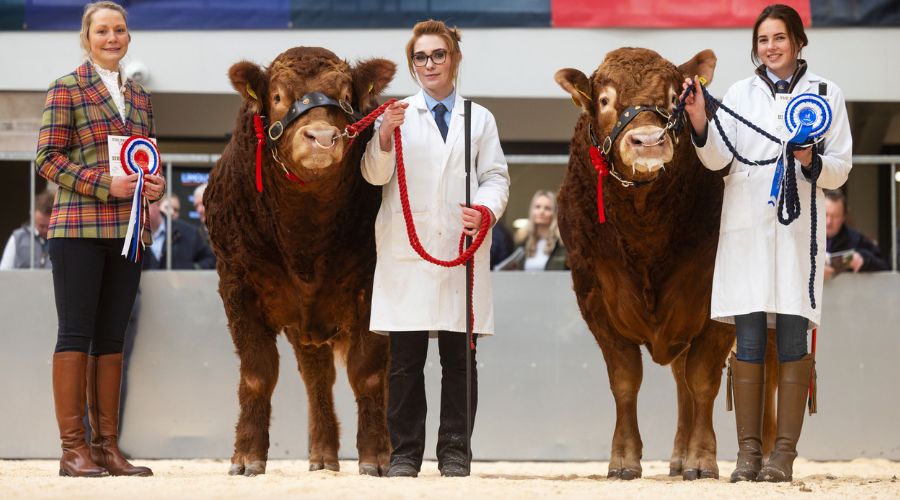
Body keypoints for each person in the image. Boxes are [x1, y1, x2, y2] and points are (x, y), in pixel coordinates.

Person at [682, 3, 852, 484]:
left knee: (794, 338)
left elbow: (841, 166)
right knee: (749, 339)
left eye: (779, 37)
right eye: (763, 40)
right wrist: (699, 121)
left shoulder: (826, 93)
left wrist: (810, 157)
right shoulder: (738, 93)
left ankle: (783, 454)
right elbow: (718, 159)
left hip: (799, 231)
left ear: (797, 41)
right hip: (748, 227)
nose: (771, 47)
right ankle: (748, 453)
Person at [361, 19, 510, 478]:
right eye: (421, 57)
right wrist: (384, 136)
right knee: (405, 360)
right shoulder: (396, 115)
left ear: (455, 59)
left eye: (438, 55)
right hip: (407, 251)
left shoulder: (479, 118)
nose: (430, 64)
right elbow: (373, 175)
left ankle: (454, 452)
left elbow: (496, 178)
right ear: (412, 65)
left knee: (459, 359)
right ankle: (404, 453)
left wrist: (485, 210)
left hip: (459, 251)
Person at [35, 1, 163, 478]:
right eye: (103, 31)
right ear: (87, 38)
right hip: (76, 231)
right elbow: (46, 158)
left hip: (127, 234)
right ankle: (73, 450)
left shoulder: (143, 98)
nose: (113, 38)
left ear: (129, 36)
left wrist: (156, 185)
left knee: (112, 339)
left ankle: (108, 447)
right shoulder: (66, 88)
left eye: (120, 30)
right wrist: (101, 183)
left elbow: (147, 158)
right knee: (75, 334)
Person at [496, 190, 567, 271]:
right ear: (532, 210)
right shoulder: (522, 241)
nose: (541, 211)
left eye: (547, 208)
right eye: (537, 207)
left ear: (555, 213)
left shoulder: (562, 244)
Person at [824, 189, 888, 278]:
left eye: (835, 216)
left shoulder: (856, 240)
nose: (828, 222)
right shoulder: (805, 238)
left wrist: (863, 259)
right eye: (825, 214)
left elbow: (884, 267)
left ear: (843, 217)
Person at [142, 196, 216, 270]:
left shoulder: (189, 233)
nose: (137, 210)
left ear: (157, 203)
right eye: (131, 206)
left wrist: (192, 270)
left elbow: (210, 260)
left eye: (143, 204)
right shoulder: (132, 238)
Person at [0, 190, 55, 270]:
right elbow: (4, 270)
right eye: (41, 225)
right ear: (32, 216)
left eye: (49, 226)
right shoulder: (18, 237)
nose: (45, 230)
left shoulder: (60, 241)